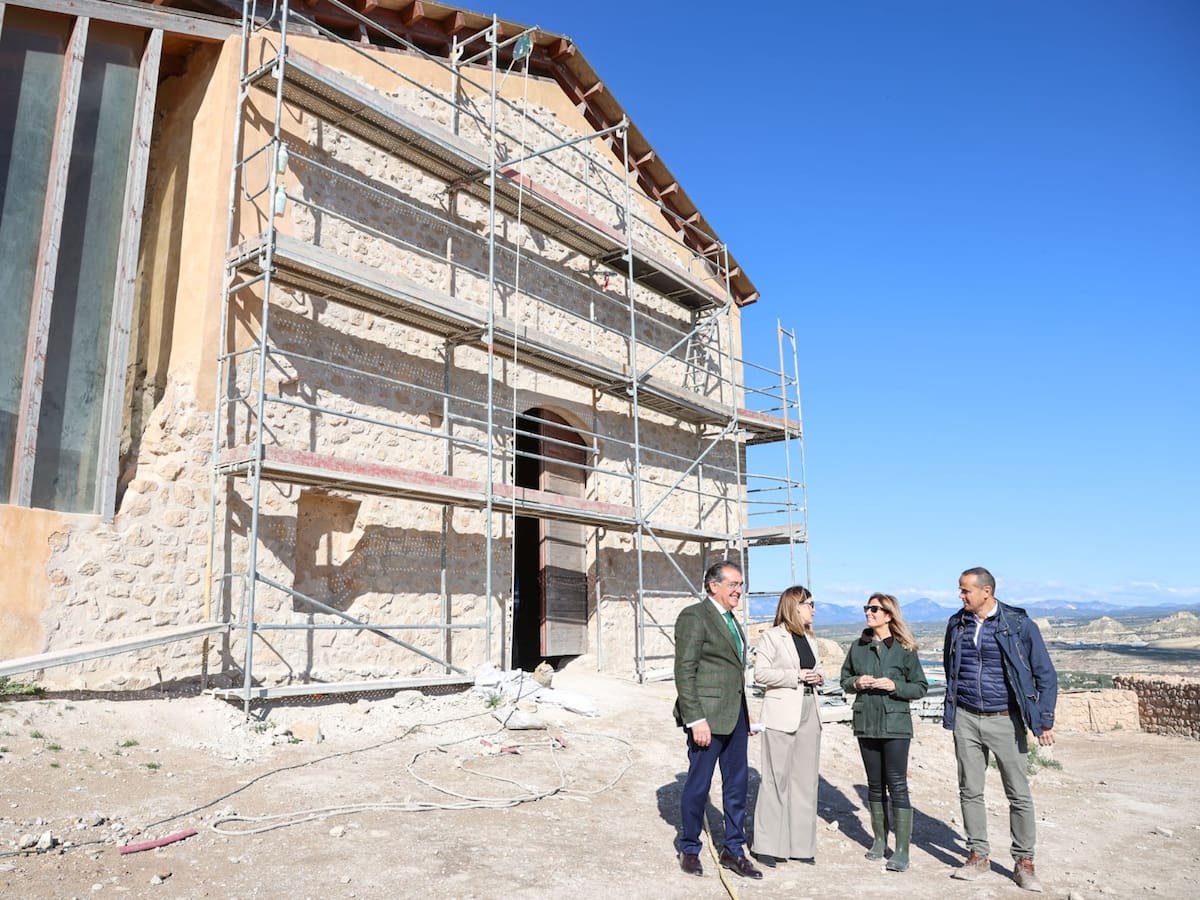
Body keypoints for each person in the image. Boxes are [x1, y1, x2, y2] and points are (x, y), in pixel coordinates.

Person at [944, 567, 1057, 892]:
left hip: (1005, 719)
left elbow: (1045, 674)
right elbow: (954, 669)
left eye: (965, 590)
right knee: (969, 789)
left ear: (986, 592)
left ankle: (1024, 862)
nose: (961, 596)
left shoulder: (1018, 624)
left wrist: (1043, 719)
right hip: (966, 716)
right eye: (960, 590)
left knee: (1018, 793)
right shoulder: (957, 623)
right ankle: (978, 855)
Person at [672, 560, 762, 880]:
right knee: (699, 785)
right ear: (713, 585)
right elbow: (685, 671)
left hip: (735, 716)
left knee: (737, 786)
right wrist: (695, 718)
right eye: (733, 584)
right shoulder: (695, 617)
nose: (739, 590)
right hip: (706, 719)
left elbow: (731, 672)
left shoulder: (731, 620)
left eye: (741, 585)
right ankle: (690, 846)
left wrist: (745, 717)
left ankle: (733, 849)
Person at [839, 592, 928, 873]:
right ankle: (879, 841)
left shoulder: (904, 649)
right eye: (867, 608)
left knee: (897, 784)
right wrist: (857, 682)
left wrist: (895, 687)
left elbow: (920, 686)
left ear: (889, 614)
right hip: (866, 723)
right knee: (874, 784)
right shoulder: (857, 647)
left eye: (875, 609)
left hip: (896, 726)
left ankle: (901, 850)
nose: (869, 612)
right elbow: (844, 680)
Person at [751, 584, 825, 866]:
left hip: (810, 710)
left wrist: (817, 677)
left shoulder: (810, 637)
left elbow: (815, 670)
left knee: (805, 782)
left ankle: (801, 847)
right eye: (810, 604)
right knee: (775, 779)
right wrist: (796, 676)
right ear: (794, 605)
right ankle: (768, 845)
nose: (814, 609)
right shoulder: (772, 637)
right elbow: (761, 674)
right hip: (782, 712)